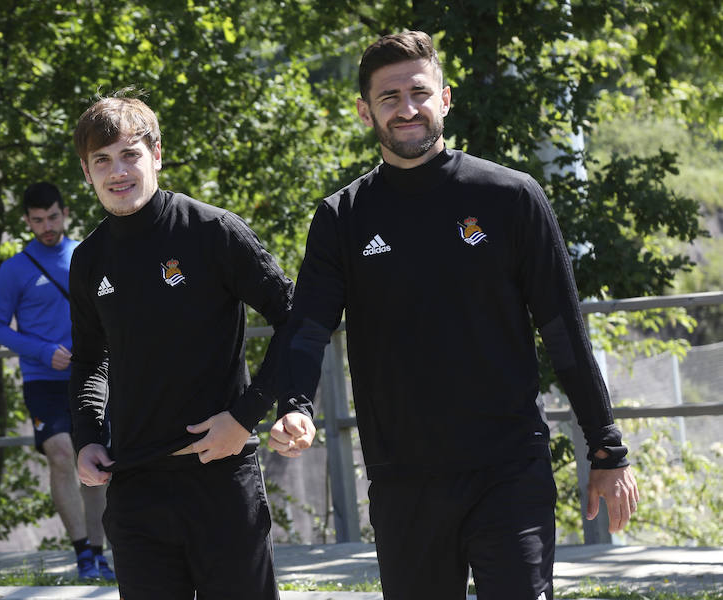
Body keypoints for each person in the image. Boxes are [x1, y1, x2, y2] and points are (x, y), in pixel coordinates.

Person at [267, 31, 640, 600]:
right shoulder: (343, 217)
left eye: (419, 92)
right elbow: (308, 327)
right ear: (365, 111)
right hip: (403, 479)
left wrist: (606, 447)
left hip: (508, 469)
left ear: (445, 98)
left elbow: (564, 331)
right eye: (389, 98)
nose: (407, 108)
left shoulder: (510, 197)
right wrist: (295, 405)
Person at [69, 92, 292, 600]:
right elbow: (89, 358)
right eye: (102, 160)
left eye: (130, 154)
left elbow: (295, 320)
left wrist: (245, 416)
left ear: (157, 155)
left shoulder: (213, 232)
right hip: (135, 487)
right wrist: (86, 436)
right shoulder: (88, 259)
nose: (117, 171)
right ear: (86, 172)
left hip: (220, 479)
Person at [0, 182, 114, 581]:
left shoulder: (86, 254)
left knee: (95, 459)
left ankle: (99, 552)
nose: (47, 226)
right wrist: (44, 351)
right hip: (42, 379)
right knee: (61, 453)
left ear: (66, 213)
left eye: (53, 217)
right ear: (26, 221)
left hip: (91, 375)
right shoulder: (14, 269)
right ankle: (81, 554)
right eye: (38, 220)